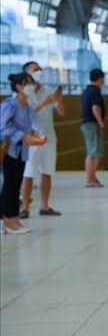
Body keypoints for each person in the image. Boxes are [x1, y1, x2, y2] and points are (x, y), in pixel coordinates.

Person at [1, 73, 47, 234]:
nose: (31, 86)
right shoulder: (10, 104)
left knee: (15, 185)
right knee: (10, 185)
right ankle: (7, 220)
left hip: (22, 151)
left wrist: (35, 135)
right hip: (10, 150)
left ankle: (14, 218)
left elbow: (28, 127)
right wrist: (23, 136)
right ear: (19, 86)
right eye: (28, 83)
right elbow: (3, 128)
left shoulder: (27, 107)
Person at [20, 61, 65, 218]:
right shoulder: (24, 93)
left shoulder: (47, 90)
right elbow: (26, 115)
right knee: (29, 173)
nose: (39, 72)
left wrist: (58, 99)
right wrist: (45, 102)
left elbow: (61, 112)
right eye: (35, 70)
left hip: (49, 137)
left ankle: (44, 206)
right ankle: (24, 207)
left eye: (40, 69)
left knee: (47, 172)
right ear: (27, 74)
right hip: (32, 139)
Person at [80, 68, 105, 188]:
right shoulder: (95, 92)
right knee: (93, 152)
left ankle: (92, 177)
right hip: (92, 123)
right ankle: (89, 179)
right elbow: (95, 107)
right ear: (100, 79)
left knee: (94, 151)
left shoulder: (86, 91)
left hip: (86, 124)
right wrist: (100, 121)